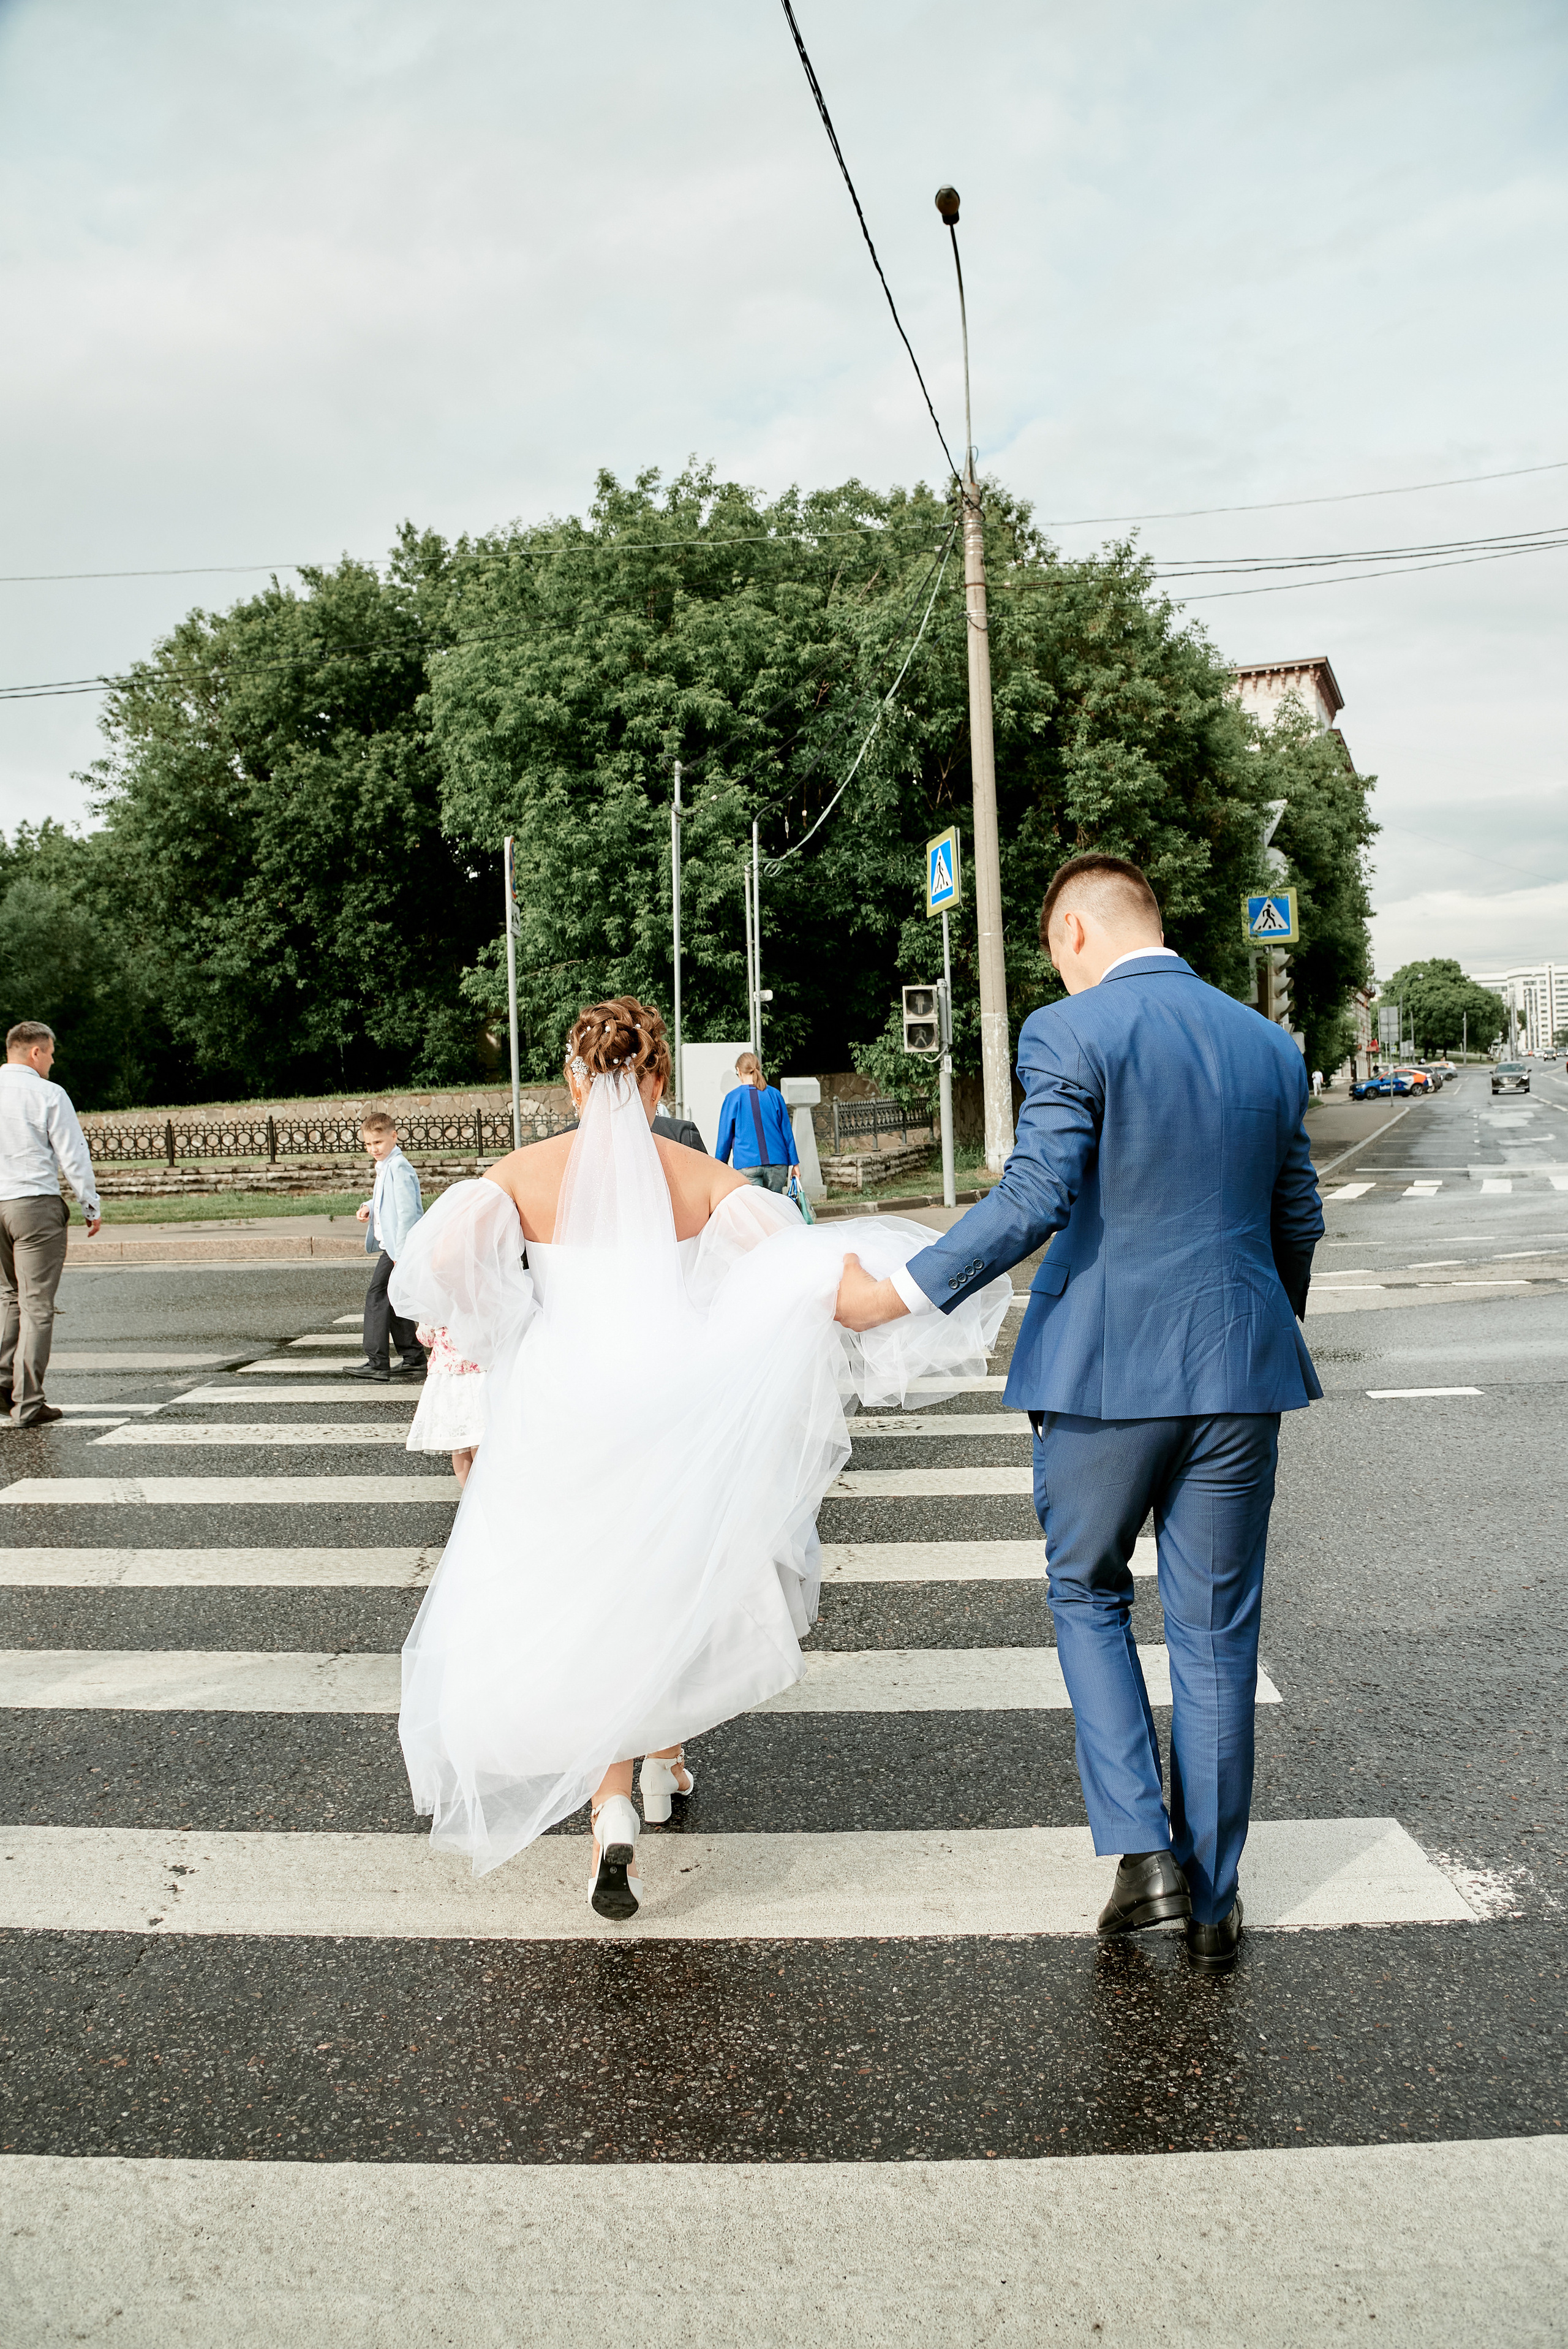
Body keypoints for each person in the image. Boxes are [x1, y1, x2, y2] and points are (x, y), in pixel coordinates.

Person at [389, 994, 1007, 1915]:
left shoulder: (518, 1173)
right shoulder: (707, 1180)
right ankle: (659, 1763)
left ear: (571, 1078)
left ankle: (612, 1812)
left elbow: (427, 1275)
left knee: (586, 1600)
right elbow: (830, 1290)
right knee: (661, 1589)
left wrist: (518, 1318)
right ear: (662, 1077)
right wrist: (952, 1273)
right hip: (669, 1401)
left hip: (561, 1405)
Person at [836, 853, 1323, 1972]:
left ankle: (1143, 1853)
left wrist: (897, 1292)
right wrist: (1251, 1340)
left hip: (1104, 1374)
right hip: (1241, 1375)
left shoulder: (1070, 1029)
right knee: (1215, 1634)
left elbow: (1037, 1192)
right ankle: (1214, 1895)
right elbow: (1295, 1217)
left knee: (1085, 1589)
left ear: (1070, 930)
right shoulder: (1266, 1043)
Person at [0, 1021, 101, 1427]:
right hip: (33, 1205)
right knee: (37, 1304)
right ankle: (29, 1403)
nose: (54, 1061)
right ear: (35, 1052)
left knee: (8, 1297)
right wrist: (89, 1204)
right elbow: (72, 1152)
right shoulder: (47, 1093)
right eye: (52, 1053)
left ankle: (3, 1386)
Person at [348, 1111, 424, 1383]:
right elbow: (384, 1198)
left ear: (394, 1136)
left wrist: (401, 1256)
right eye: (368, 1145)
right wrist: (369, 1206)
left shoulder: (399, 1167)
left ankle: (377, 1362)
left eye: (378, 1143)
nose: (373, 1149)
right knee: (392, 1299)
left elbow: (407, 1213)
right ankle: (414, 1358)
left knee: (377, 1297)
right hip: (393, 1248)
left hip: (397, 1248)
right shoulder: (387, 1166)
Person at [406, 1321, 486, 1486]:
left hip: (448, 1380)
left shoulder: (434, 1304)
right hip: (481, 1373)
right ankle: (487, 1493)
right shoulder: (480, 1298)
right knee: (482, 1439)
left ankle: (470, 1500)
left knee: (459, 1446)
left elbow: (425, 1339)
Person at [714, 1051, 797, 1193]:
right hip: (778, 1163)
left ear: (739, 1072)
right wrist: (795, 1163)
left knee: (755, 1212)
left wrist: (719, 1166)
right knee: (776, 1210)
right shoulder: (775, 1094)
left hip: (747, 1164)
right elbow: (786, 1132)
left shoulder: (733, 1098)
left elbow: (725, 1138)